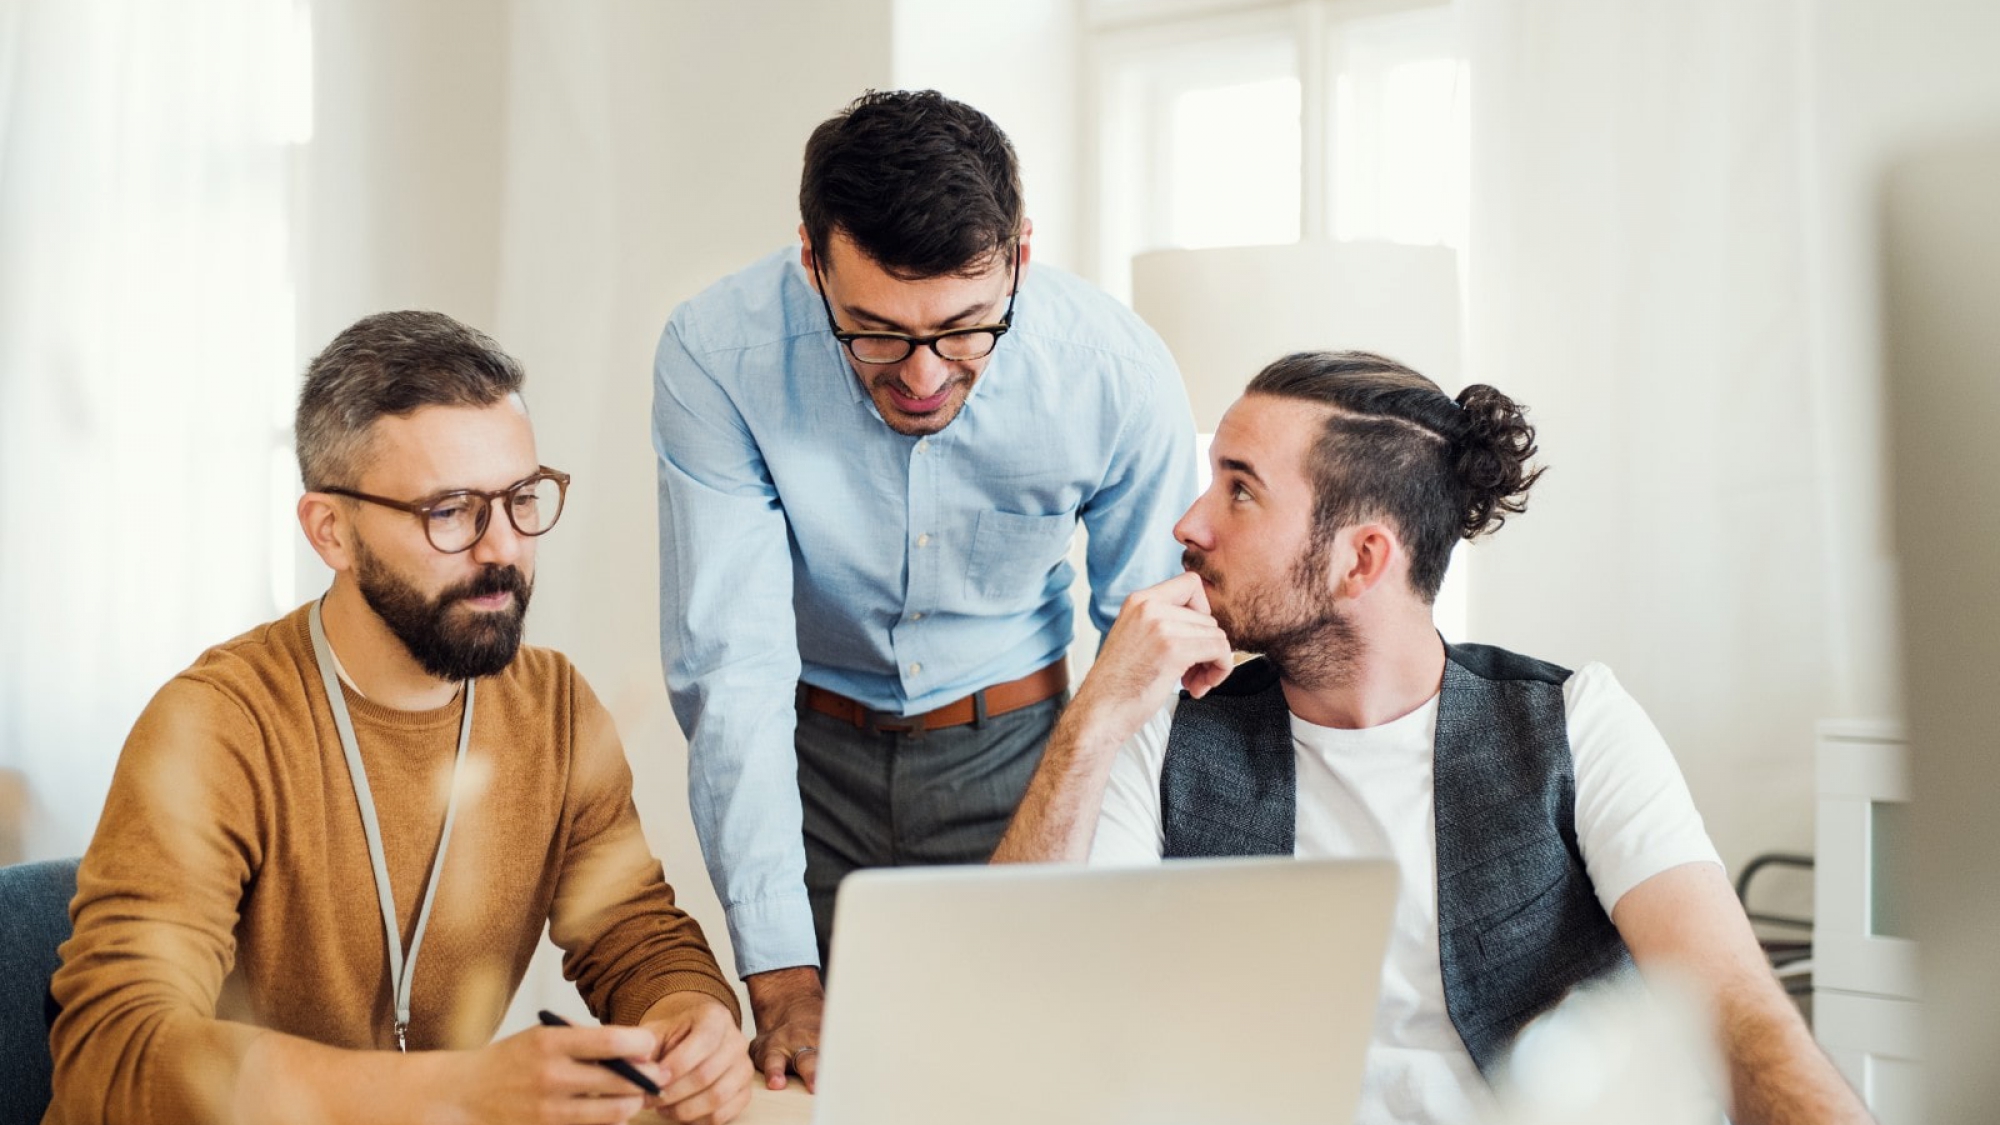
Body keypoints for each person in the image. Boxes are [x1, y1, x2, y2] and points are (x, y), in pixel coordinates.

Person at [992, 351, 1873, 1125]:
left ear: (1362, 560)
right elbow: (1021, 997)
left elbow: (1737, 1013)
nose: (1189, 524)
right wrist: (1098, 710)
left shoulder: (1577, 722)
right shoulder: (1166, 729)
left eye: (1240, 489)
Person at [47, 312, 755, 1125]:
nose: (503, 549)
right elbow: (113, 1054)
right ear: (332, 532)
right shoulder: (215, 726)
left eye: (523, 498)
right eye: (450, 511)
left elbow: (638, 934)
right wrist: (459, 1090)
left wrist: (693, 1020)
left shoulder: (554, 708)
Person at [651, 89, 1195, 1088]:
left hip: (1022, 755)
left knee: (1030, 1084)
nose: (922, 377)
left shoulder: (1114, 371)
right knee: (827, 1088)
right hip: (804, 767)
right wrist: (777, 974)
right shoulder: (714, 353)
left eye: (964, 329)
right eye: (872, 332)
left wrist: (1124, 867)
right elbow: (730, 668)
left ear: (1019, 254)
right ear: (811, 259)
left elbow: (1151, 646)